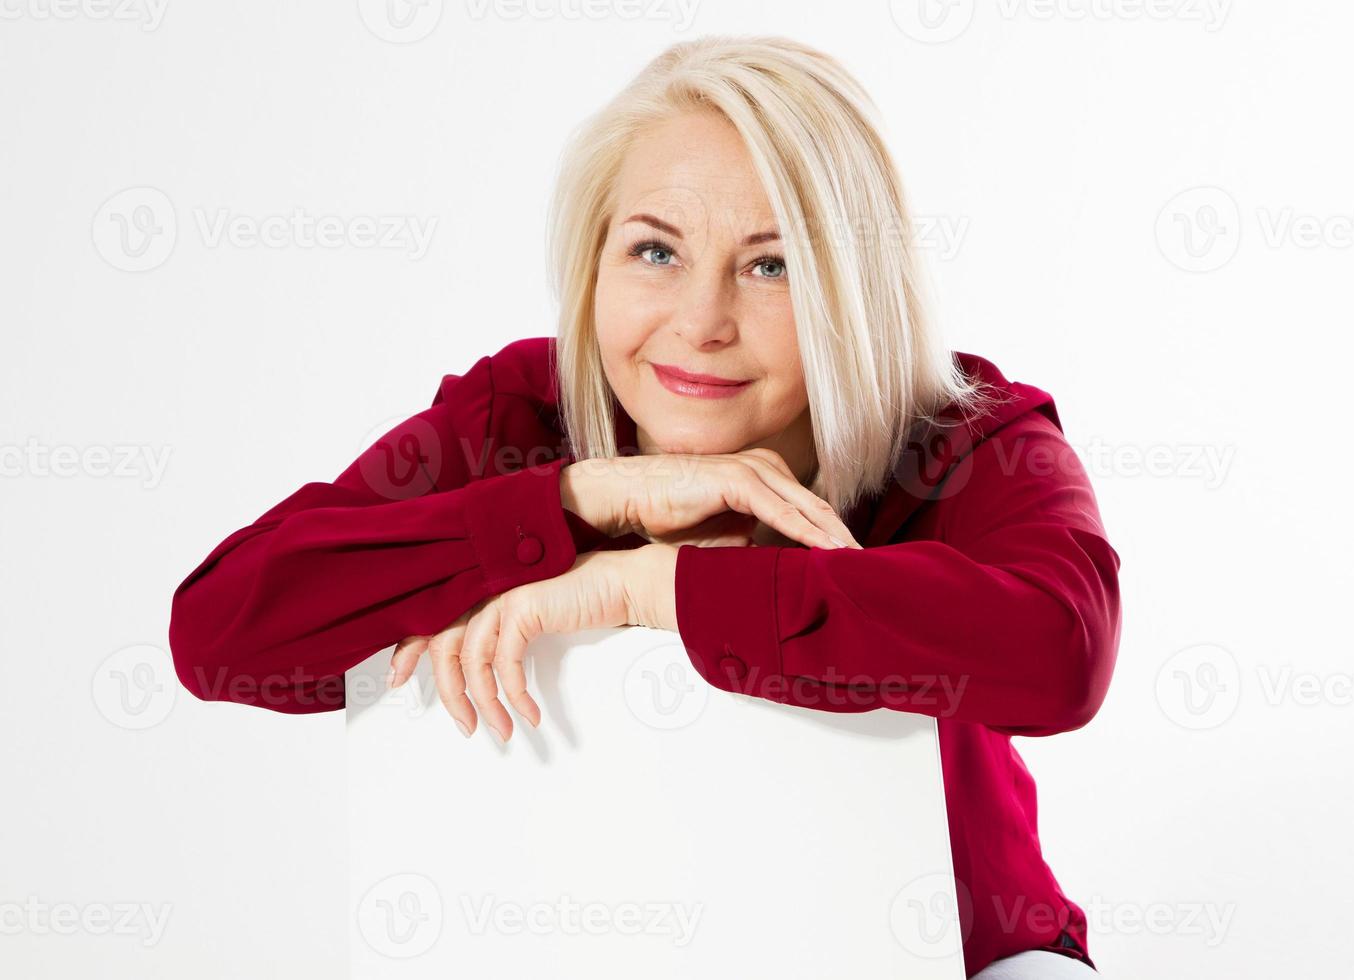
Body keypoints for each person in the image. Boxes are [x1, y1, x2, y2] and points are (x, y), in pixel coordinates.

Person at [168, 35, 1120, 979]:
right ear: (592, 269)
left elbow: (1059, 654)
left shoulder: (969, 437)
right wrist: (585, 496)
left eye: (771, 265)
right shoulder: (519, 413)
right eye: (655, 250)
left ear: (853, 288)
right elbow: (222, 631)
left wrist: (642, 584)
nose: (699, 322)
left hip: (959, 957)